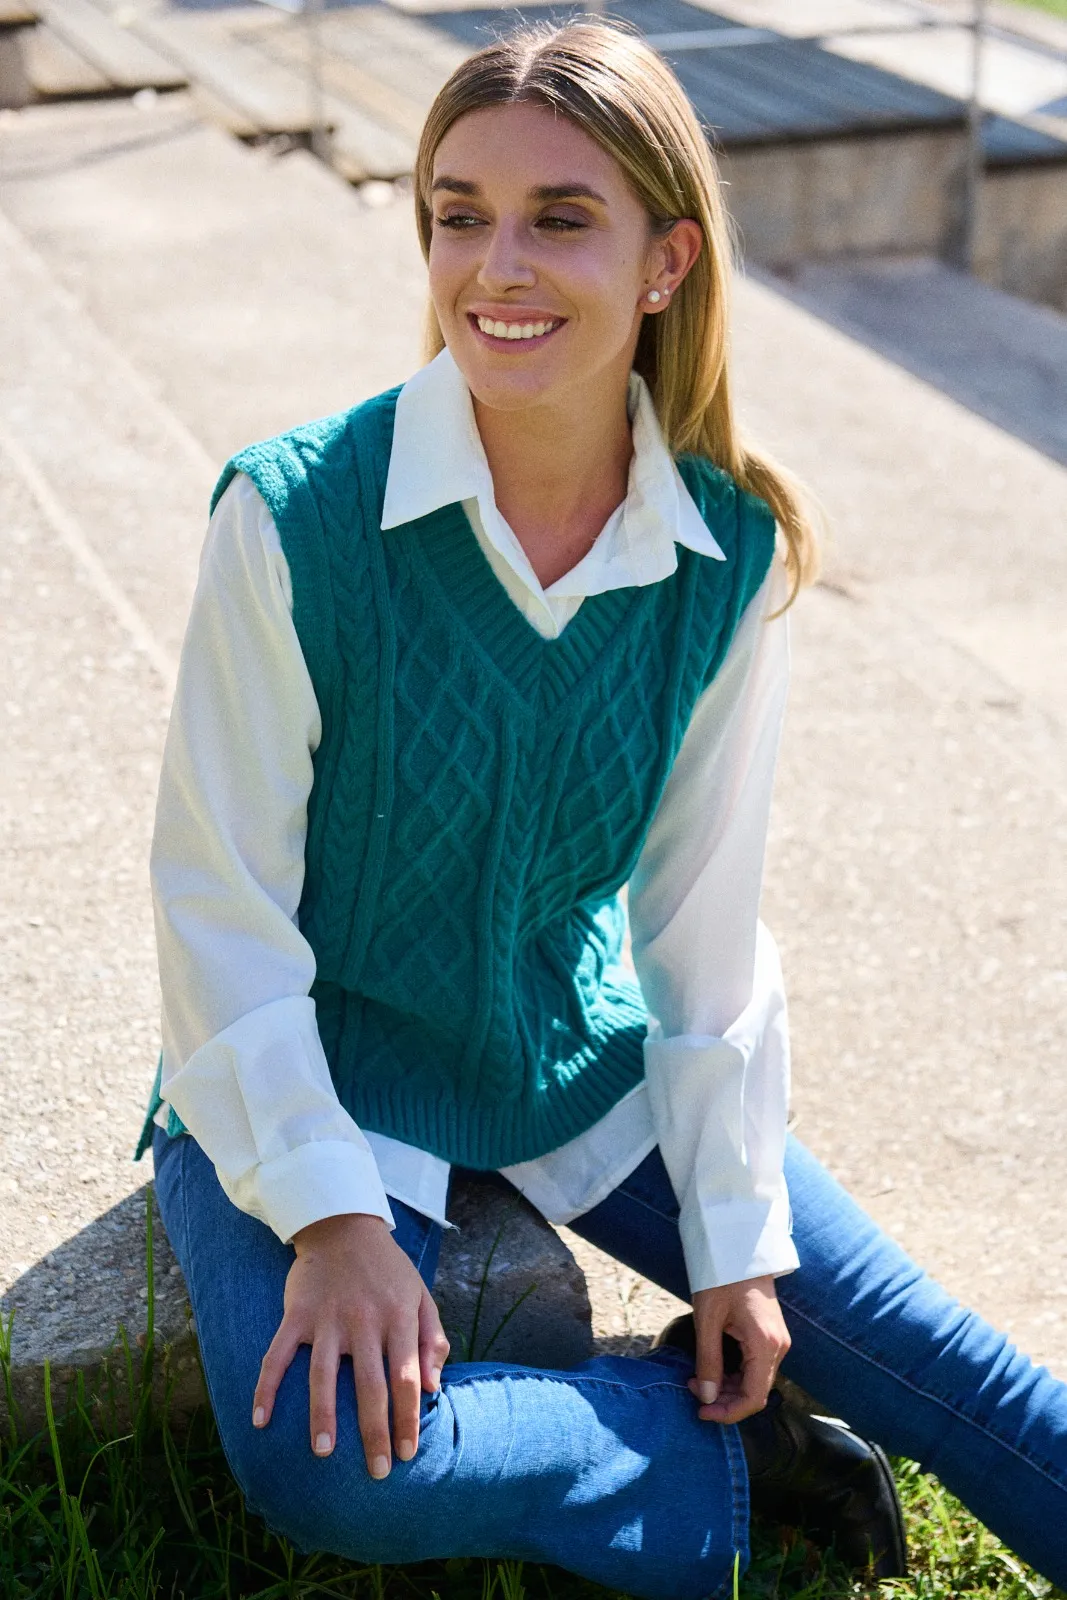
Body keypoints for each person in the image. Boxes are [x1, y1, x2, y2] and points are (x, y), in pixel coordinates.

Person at [136, 20, 1067, 1597]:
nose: (494, 263)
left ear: (663, 262)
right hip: (328, 1067)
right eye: (457, 210)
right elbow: (214, 905)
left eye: (559, 216)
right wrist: (329, 1214)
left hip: (580, 1054)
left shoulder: (724, 552)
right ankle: (703, 1445)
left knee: (938, 1369)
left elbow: (699, 927)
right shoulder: (292, 518)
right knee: (334, 1462)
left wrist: (735, 1223)